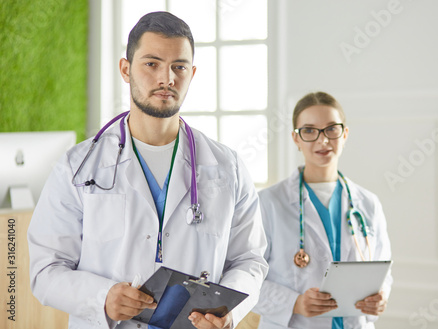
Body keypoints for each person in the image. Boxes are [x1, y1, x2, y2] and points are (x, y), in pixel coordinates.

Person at [28, 11, 268, 329]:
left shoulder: (228, 168)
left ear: (192, 73)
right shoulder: (77, 165)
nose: (166, 79)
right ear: (126, 70)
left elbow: (249, 260)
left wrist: (228, 311)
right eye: (152, 64)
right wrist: (102, 297)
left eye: (178, 67)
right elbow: (46, 269)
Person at [253, 92, 392, 328]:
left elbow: (383, 269)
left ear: (344, 134)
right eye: (309, 130)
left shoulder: (368, 203)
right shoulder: (267, 202)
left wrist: (381, 297)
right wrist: (293, 303)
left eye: (331, 129)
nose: (322, 140)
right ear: (296, 139)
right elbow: (247, 276)